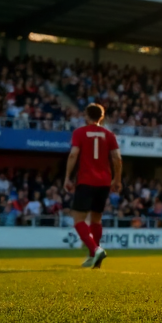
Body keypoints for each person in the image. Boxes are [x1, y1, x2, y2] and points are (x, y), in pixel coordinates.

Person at [64, 103, 121, 269]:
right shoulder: (109, 135)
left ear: (86, 115)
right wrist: (117, 179)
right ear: (101, 117)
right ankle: (93, 257)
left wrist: (67, 177)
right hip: (104, 182)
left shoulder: (80, 132)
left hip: (86, 180)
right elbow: (117, 158)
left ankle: (95, 249)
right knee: (96, 218)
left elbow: (74, 154)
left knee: (78, 219)